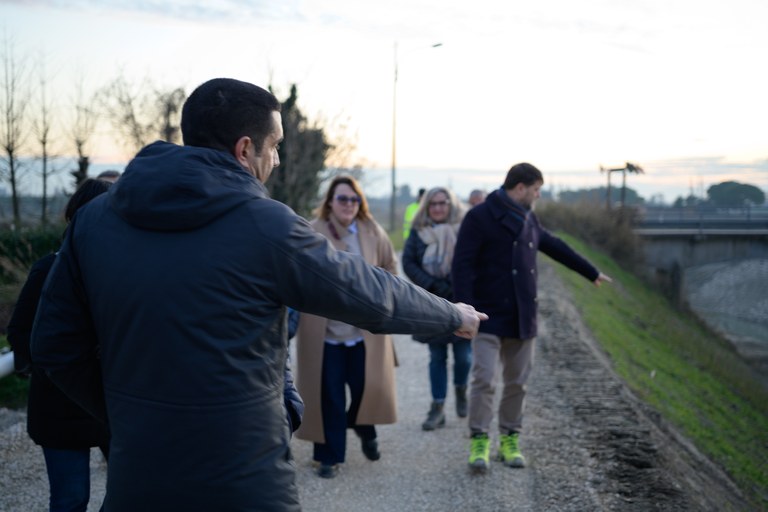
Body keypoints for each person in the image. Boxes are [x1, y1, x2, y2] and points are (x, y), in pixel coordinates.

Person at [30, 78, 486, 512]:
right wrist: (450, 315)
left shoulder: (93, 222)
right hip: (246, 475)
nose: (279, 161)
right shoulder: (266, 225)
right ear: (246, 149)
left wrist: (125, 414)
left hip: (138, 475)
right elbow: (367, 293)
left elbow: (53, 343)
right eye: (276, 146)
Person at [452, 162, 611, 473]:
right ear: (520, 188)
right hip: (485, 316)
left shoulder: (528, 219)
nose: (538, 196)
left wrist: (590, 271)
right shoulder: (479, 217)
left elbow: (553, 246)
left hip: (523, 317)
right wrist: (463, 312)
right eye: (536, 190)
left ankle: (510, 438)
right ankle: (479, 441)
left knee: (518, 383)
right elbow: (462, 267)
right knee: (484, 380)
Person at [7, 178, 112, 512]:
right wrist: (52, 363)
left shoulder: (119, 271)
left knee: (132, 494)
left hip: (109, 405)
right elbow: (20, 332)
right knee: (71, 500)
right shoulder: (48, 270)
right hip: (61, 406)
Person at [295, 175, 397, 479]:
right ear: (330, 202)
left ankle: (365, 427)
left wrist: (380, 295)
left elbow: (391, 268)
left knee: (367, 388)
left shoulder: (371, 231)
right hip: (324, 334)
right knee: (329, 395)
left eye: (354, 199)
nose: (348, 205)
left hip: (364, 333)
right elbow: (296, 271)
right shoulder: (311, 232)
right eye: (342, 199)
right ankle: (328, 456)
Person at [402, 186, 471, 431]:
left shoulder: (465, 230)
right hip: (430, 303)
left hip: (461, 301)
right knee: (437, 357)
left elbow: (473, 261)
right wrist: (432, 284)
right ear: (427, 207)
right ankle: (438, 408)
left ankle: (462, 390)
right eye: (434, 204)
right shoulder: (419, 232)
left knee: (464, 357)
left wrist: (454, 283)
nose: (439, 208)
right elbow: (408, 262)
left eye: (443, 203)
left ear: (451, 205)